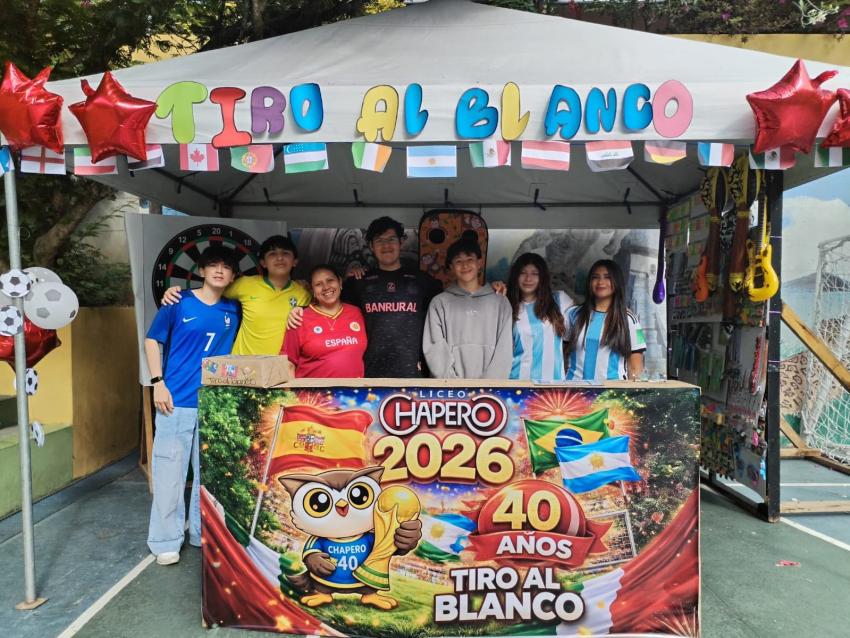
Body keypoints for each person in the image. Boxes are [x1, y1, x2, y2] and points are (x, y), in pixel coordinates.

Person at [144, 246, 240, 566]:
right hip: (176, 400)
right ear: (201, 270)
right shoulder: (178, 302)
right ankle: (165, 540)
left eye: (226, 267)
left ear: (233, 276)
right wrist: (157, 382)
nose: (219, 270)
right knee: (169, 472)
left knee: (209, 475)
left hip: (215, 401)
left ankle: (203, 533)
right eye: (213, 265)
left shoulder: (234, 309)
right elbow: (152, 340)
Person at [289, 217, 443, 377]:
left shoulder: (422, 281)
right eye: (379, 241)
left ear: (401, 242)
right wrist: (301, 310)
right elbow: (331, 305)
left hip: (412, 372)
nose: (386, 246)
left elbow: (440, 316)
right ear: (371, 246)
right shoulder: (359, 282)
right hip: (369, 373)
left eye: (391, 239)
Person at [163, 234, 310, 355]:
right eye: (272, 254)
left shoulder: (304, 292)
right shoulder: (245, 284)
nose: (279, 258)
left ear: (295, 261)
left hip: (282, 368)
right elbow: (209, 290)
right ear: (263, 263)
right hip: (244, 368)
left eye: (285, 253)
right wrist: (178, 293)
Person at [423, 238, 512, 379]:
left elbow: (505, 349)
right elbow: (435, 348)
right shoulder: (439, 303)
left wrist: (489, 386)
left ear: (479, 263)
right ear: (451, 267)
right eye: (458, 261)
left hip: (491, 389)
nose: (465, 265)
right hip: (450, 389)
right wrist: (453, 385)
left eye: (470, 259)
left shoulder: (500, 302)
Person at [565, 259, 646, 382]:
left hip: (612, 391)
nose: (600, 282)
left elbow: (635, 367)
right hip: (574, 389)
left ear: (617, 282)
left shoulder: (629, 319)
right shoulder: (572, 314)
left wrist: (632, 391)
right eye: (595, 277)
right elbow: (560, 356)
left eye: (607, 277)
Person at [282, 264, 367, 378]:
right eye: (318, 284)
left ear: (340, 282)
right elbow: (288, 363)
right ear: (312, 290)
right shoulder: (299, 318)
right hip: (311, 390)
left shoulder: (357, 313)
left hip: (353, 389)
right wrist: (288, 390)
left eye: (330, 280)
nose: (326, 287)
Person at [507, 252, 575, 382]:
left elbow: (579, 334)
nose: (528, 278)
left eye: (535, 274)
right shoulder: (507, 305)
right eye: (523, 273)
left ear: (542, 277)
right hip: (517, 383)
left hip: (553, 385)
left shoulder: (559, 301)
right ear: (516, 276)